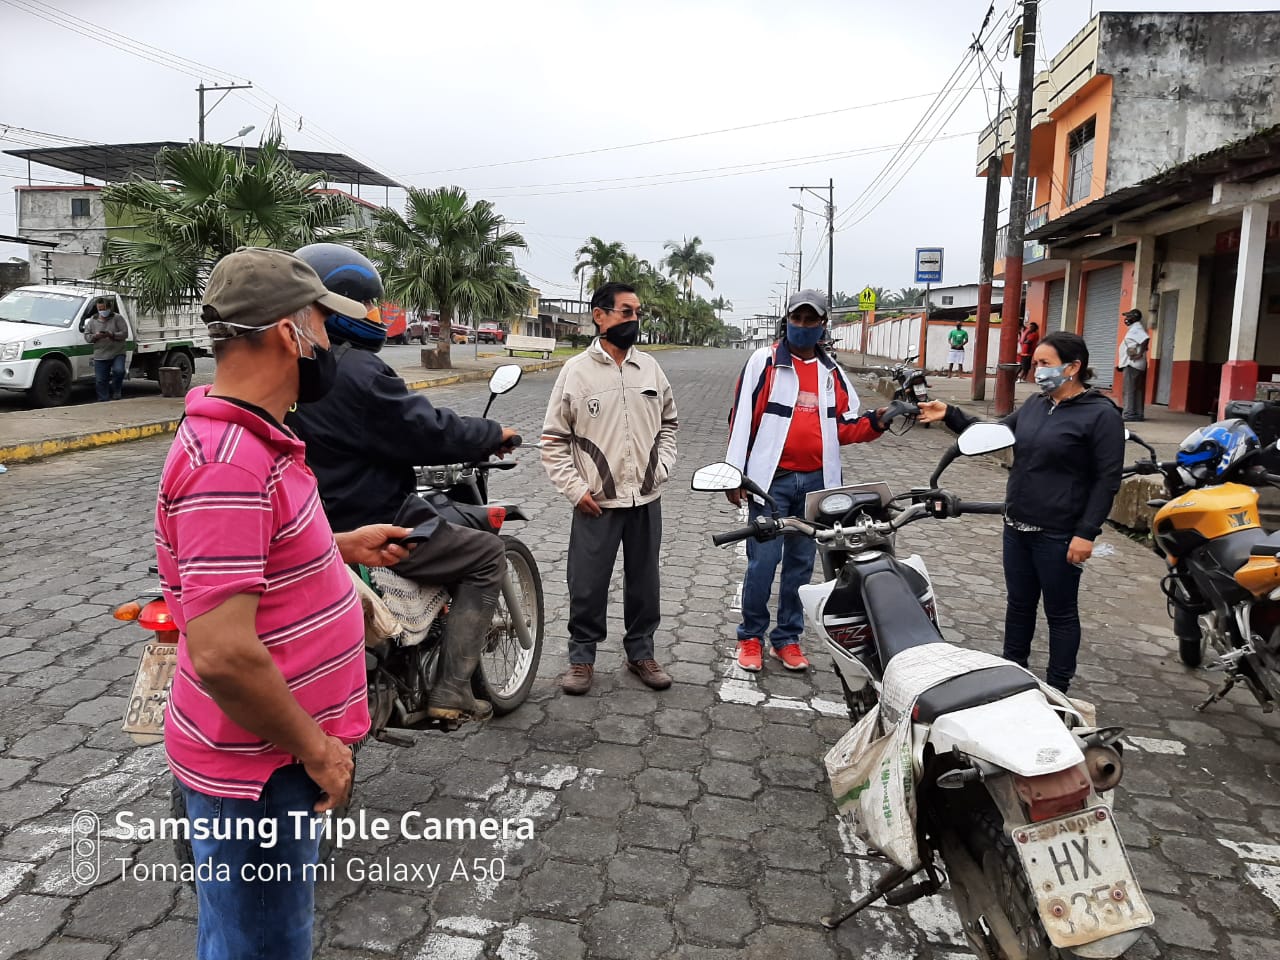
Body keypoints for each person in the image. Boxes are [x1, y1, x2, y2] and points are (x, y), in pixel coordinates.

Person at [155, 246, 413, 960]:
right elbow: (224, 655)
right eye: (322, 325)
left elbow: (258, 553)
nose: (329, 344)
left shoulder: (254, 442)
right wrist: (318, 750)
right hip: (262, 771)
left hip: (264, 764)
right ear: (285, 332)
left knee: (240, 935)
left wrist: (339, 545)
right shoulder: (230, 464)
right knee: (262, 946)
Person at [284, 243, 519, 722]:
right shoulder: (355, 370)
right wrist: (491, 434)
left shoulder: (285, 367)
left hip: (304, 523)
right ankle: (451, 690)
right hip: (369, 519)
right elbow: (424, 430)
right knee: (486, 554)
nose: (375, 313)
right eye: (368, 304)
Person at [917, 331, 1125, 692]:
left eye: (1045, 363)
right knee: (1019, 605)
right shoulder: (1036, 405)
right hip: (1016, 526)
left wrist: (1086, 533)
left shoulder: (1100, 415)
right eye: (1036, 363)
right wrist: (950, 414)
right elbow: (993, 434)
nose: (1037, 370)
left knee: (1061, 613)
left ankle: (1058, 690)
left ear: (1073, 367)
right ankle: (1013, 676)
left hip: (1059, 534)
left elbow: (1107, 481)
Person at [726, 289, 903, 673]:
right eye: (797, 318)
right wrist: (733, 473)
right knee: (763, 563)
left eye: (811, 320)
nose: (803, 326)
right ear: (787, 321)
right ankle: (751, 636)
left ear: (823, 325)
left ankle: (787, 639)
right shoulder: (765, 362)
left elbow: (846, 426)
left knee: (801, 566)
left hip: (817, 486)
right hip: (769, 484)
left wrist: (879, 420)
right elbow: (741, 418)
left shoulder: (831, 373)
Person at [541, 281, 678, 695]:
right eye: (626, 312)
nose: (634, 320)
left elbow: (669, 424)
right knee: (587, 584)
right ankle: (582, 658)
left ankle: (641, 653)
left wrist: (661, 468)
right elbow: (553, 439)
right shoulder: (576, 371)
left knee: (645, 584)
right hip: (595, 502)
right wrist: (574, 489)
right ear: (599, 316)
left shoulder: (650, 368)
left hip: (645, 499)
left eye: (638, 313)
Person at [84, 297, 128, 400]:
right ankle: (103, 399)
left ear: (109, 308)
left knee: (119, 371)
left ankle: (116, 390)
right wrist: (95, 336)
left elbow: (125, 333)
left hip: (117, 352)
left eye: (104, 309)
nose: (102, 311)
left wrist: (112, 334)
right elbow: (87, 336)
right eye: (100, 309)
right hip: (100, 354)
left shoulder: (117, 318)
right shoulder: (93, 320)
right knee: (100, 380)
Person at [1118, 308, 1149, 422]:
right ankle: (1137, 414)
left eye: (1128, 317)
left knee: (1129, 390)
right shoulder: (1135, 328)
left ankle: (1129, 414)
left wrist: (1139, 354)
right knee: (1137, 390)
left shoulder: (1136, 328)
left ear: (1134, 318)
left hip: (1132, 364)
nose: (1126, 319)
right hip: (1135, 364)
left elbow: (1145, 339)